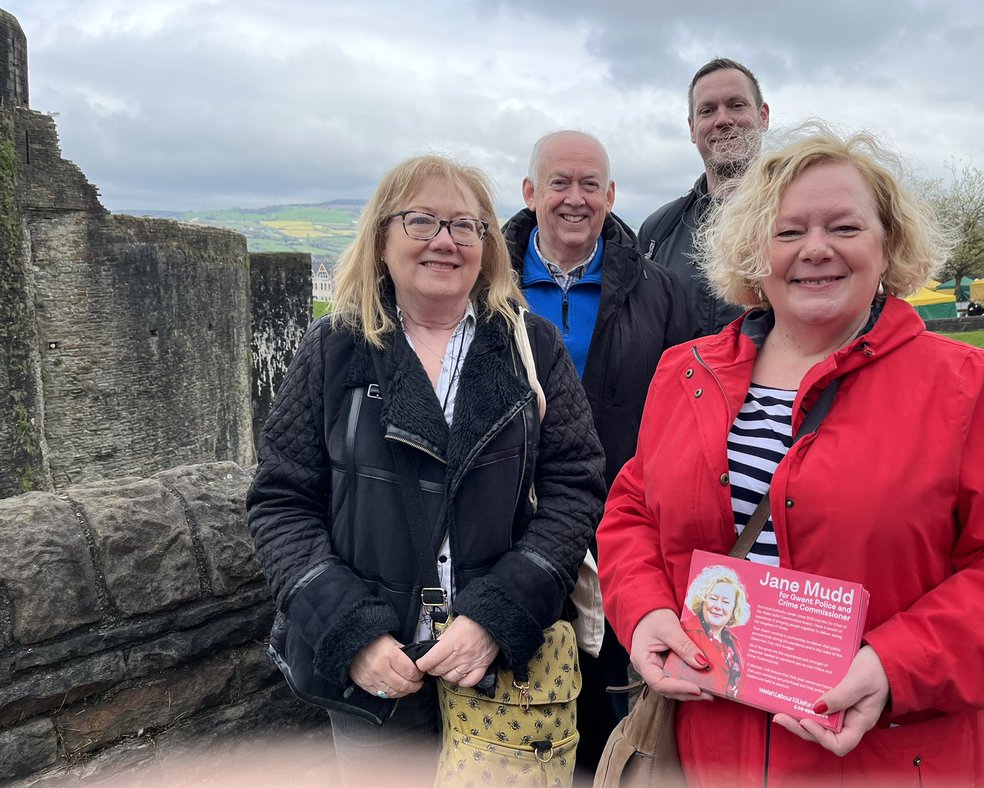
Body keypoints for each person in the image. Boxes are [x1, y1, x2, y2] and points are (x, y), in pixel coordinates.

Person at [597, 122, 984, 785]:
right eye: (788, 231)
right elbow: (633, 510)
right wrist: (646, 611)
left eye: (845, 227)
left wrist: (896, 664)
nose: (816, 248)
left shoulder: (964, 385)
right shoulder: (686, 372)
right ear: (754, 252)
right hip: (706, 751)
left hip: (887, 758)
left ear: (888, 246)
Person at [247, 155, 606, 783]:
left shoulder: (533, 347)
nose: (445, 240)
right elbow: (281, 501)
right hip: (376, 676)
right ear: (381, 239)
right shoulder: (334, 349)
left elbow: (575, 488)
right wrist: (351, 632)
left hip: (500, 669)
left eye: (466, 225)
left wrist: (497, 614)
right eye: (421, 221)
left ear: (486, 247)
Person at [504, 130, 694, 774]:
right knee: (521, 711)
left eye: (590, 184)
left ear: (610, 195)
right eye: (559, 182)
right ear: (530, 192)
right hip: (511, 535)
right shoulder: (485, 288)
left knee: (618, 706)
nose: (575, 198)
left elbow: (687, 413)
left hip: (623, 534)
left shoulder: (661, 293)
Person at [639, 58, 770, 336]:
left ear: (763, 117)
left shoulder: (800, 219)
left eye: (736, 105)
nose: (722, 120)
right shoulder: (658, 231)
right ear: (692, 128)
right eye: (707, 111)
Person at [678, 565, 750, 698]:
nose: (718, 606)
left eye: (726, 602)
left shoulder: (734, 643)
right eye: (713, 598)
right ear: (702, 600)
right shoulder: (684, 630)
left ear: (734, 609)